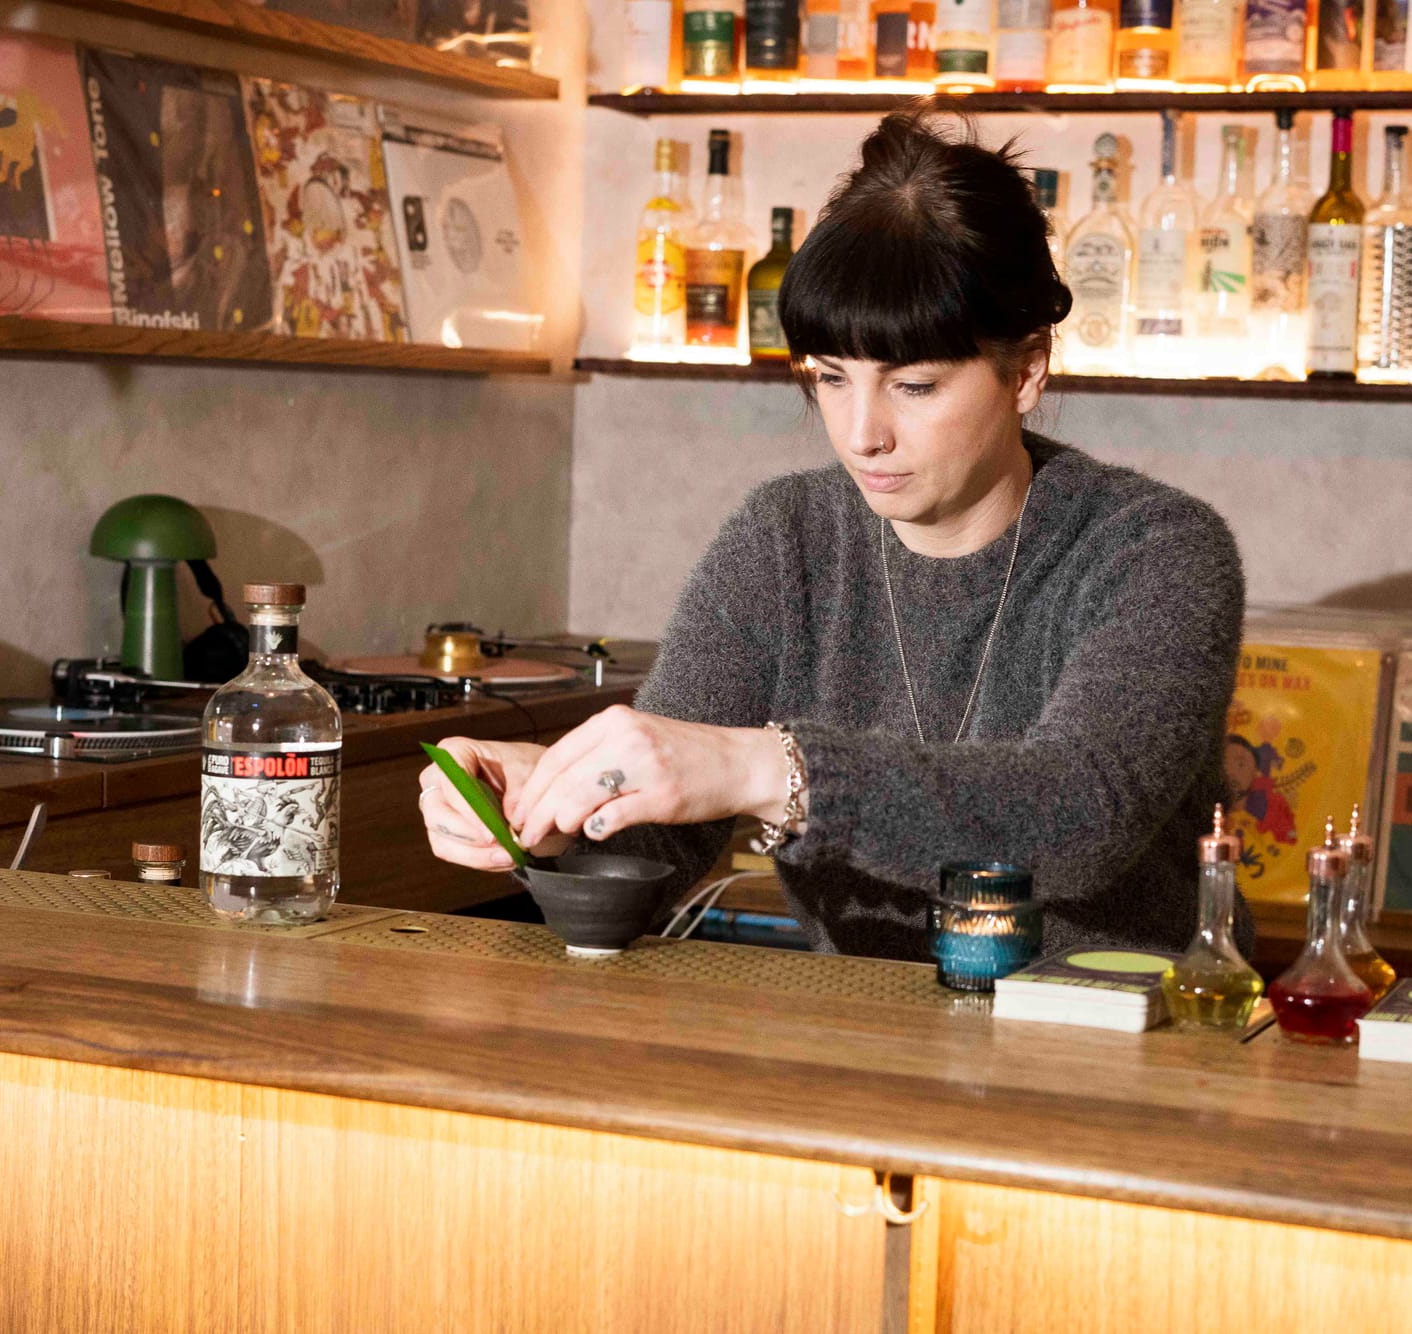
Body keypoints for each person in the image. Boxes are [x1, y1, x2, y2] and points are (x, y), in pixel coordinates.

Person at [420, 106, 1251, 961]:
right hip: (868, 1039)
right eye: (829, 378)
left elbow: (1082, 815)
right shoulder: (785, 540)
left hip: (1125, 1043)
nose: (862, 433)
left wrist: (772, 771)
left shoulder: (1154, 551)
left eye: (915, 385)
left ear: (1028, 367)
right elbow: (650, 861)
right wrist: (548, 813)